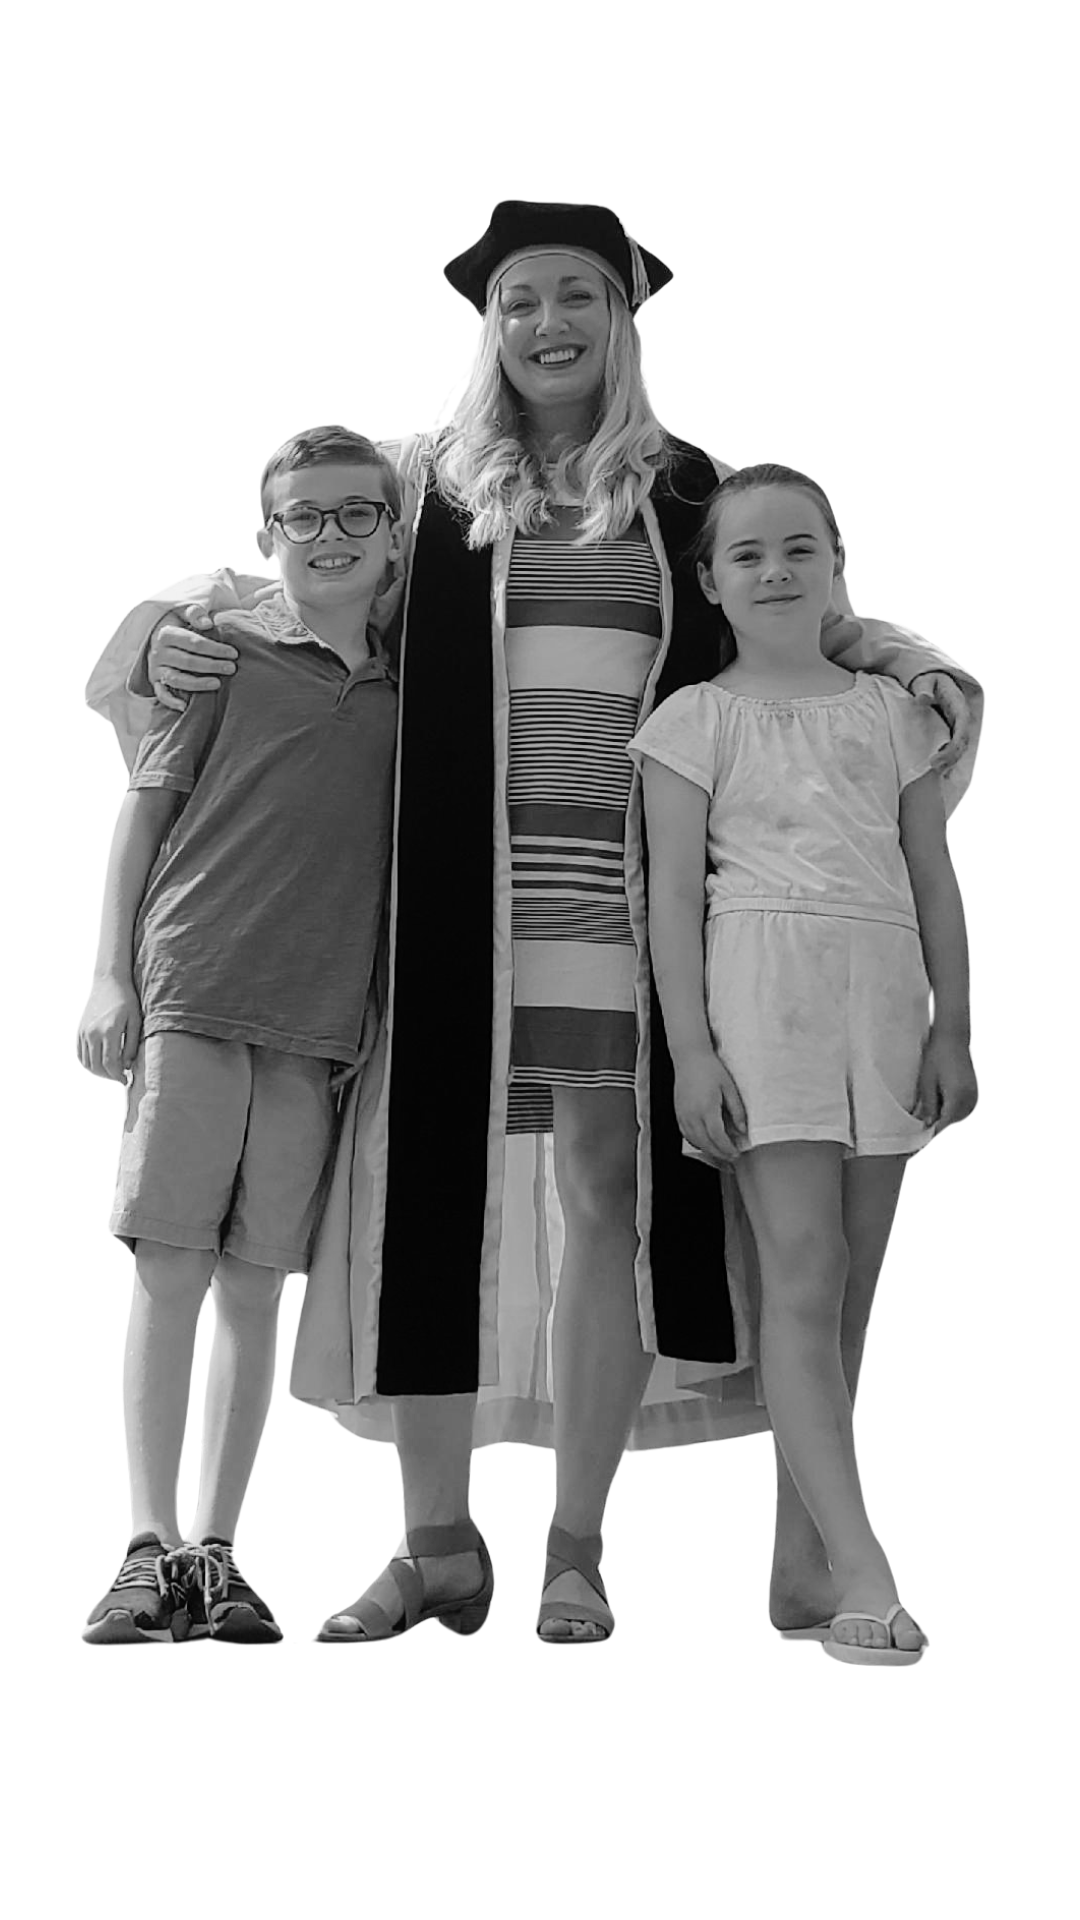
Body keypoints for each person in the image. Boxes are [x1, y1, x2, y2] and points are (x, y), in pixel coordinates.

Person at [84, 200, 984, 1648]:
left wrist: (913, 663)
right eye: (520, 299)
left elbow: (808, 618)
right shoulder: (418, 479)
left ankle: (575, 1551)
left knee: (607, 1207)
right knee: (424, 1196)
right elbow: (285, 563)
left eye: (577, 294)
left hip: (623, 907)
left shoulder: (691, 487)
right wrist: (174, 626)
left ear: (623, 318)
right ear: (487, 324)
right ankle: (435, 1545)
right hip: (445, 901)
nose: (547, 323)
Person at [77, 442, 436, 1644]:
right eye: (303, 518)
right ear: (267, 537)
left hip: (317, 1027)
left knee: (255, 1286)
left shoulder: (410, 695)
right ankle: (142, 1547)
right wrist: (111, 978)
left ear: (394, 537)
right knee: (170, 1267)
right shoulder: (223, 654)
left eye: (356, 515)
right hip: (193, 989)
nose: (330, 536)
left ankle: (216, 1550)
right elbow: (142, 816)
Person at [626, 462, 980, 1663]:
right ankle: (869, 1578)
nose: (775, 571)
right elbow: (672, 903)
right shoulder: (692, 722)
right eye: (748, 554)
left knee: (851, 1299)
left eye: (798, 549)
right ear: (710, 582)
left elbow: (933, 879)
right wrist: (691, 1056)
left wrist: (950, 1030)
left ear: (838, 563)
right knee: (803, 1275)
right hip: (762, 1005)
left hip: (883, 1005)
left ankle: (799, 1571)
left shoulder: (895, 715)